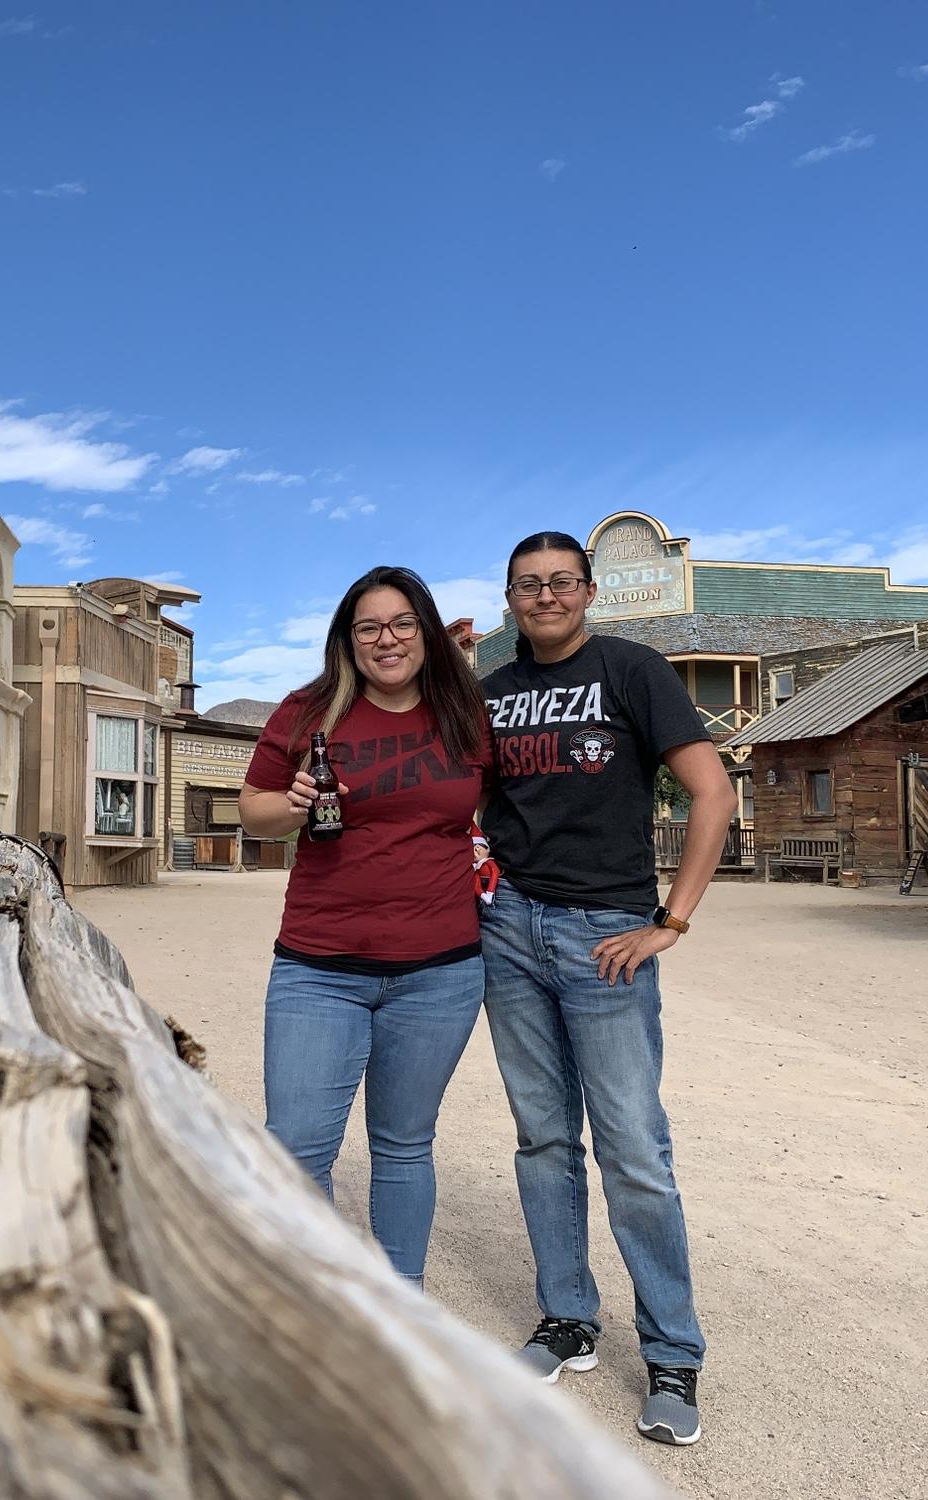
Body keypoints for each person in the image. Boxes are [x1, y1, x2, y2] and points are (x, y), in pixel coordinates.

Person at [477, 529, 737, 1446]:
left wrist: (669, 922)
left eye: (560, 583)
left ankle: (672, 1352)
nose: (544, 597)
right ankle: (568, 1318)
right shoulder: (491, 692)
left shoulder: (633, 670)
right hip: (509, 930)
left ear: (588, 592)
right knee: (543, 1136)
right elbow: (458, 803)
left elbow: (713, 793)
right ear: (510, 598)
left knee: (632, 1147)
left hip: (605, 936)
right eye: (527, 585)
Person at [238, 566, 491, 1288]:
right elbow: (251, 809)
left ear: (426, 630)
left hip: (440, 968)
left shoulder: (464, 713)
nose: (388, 639)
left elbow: (496, 809)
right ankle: (326, 1311)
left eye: (403, 622)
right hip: (318, 967)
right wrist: (289, 805)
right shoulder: (307, 710)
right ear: (347, 640)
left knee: (405, 1146)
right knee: (297, 1150)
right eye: (370, 627)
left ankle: (399, 1310)